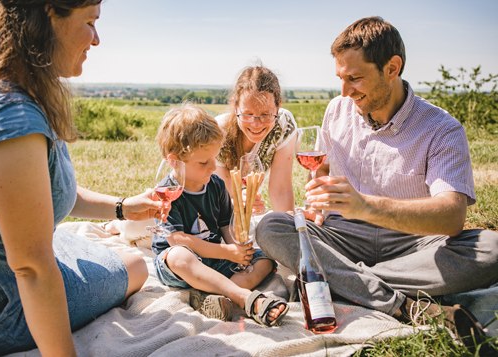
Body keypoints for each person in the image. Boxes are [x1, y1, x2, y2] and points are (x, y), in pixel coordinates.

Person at [255, 16, 498, 351]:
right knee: (272, 226)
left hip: (415, 245)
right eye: (340, 78)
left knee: (491, 250)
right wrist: (320, 190)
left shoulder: (442, 129)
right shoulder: (337, 110)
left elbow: (452, 217)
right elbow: (323, 166)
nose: (344, 91)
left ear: (392, 68)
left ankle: (335, 279)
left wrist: (367, 206)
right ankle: (406, 306)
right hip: (343, 235)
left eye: (355, 78)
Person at [0, 1, 168, 356]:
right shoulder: (12, 119)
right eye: (90, 21)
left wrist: (123, 208)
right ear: (47, 16)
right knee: (135, 265)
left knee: (71, 247)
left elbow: (40, 195)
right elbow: (31, 267)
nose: (97, 39)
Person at [151, 104, 289, 326]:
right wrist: (226, 252)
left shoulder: (215, 184)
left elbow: (225, 225)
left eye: (214, 159)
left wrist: (238, 251)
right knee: (179, 256)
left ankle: (212, 298)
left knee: (263, 260)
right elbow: (177, 239)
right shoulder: (166, 192)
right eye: (204, 162)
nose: (212, 167)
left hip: (216, 257)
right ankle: (243, 297)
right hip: (180, 265)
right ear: (174, 160)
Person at [216, 65, 297, 213]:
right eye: (248, 114)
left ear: (278, 107)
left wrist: (288, 229)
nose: (256, 124)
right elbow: (221, 201)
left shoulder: (284, 125)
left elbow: (280, 189)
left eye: (266, 114)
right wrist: (239, 203)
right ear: (235, 107)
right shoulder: (217, 134)